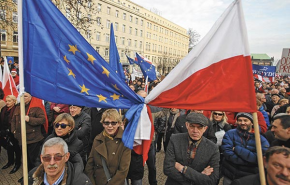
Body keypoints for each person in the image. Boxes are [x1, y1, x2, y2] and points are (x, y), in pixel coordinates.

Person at [164, 112, 220, 185]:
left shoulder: (213, 148)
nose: (195, 131)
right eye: (192, 126)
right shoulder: (174, 140)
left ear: (205, 128)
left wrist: (183, 169)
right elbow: (167, 169)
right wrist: (198, 177)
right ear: (187, 125)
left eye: (199, 127)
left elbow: (212, 180)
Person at [221, 112, 270, 185]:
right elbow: (227, 153)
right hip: (230, 174)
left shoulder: (261, 139)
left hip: (249, 177)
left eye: (245, 120)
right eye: (240, 120)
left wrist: (237, 149)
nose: (242, 123)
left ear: (252, 122)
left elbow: (261, 159)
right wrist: (249, 161)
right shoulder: (230, 134)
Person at [85, 109, 131, 185]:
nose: (110, 126)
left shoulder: (125, 141)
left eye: (113, 123)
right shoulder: (97, 139)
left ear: (119, 123)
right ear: (103, 124)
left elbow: (123, 170)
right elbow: (90, 166)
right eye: (107, 123)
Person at [11, 92, 46, 173]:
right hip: (21, 139)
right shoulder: (18, 107)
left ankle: (35, 176)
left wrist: (30, 119)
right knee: (25, 159)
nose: (23, 98)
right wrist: (14, 131)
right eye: (22, 96)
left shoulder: (36, 107)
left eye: (26, 96)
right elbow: (13, 120)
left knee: (33, 160)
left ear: (31, 97)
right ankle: (27, 175)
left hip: (33, 139)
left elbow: (42, 120)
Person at [0, 95, 21, 174]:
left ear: (14, 101)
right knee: (9, 148)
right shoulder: (3, 109)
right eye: (6, 101)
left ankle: (17, 163)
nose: (7, 102)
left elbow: (17, 121)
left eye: (9, 101)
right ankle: (10, 161)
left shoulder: (17, 109)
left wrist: (12, 130)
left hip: (13, 132)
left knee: (16, 148)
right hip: (4, 132)